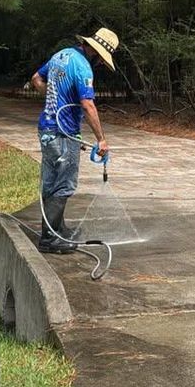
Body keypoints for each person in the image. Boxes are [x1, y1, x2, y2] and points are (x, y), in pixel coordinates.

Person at [30, 27, 119, 253]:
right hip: (63, 133)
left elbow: (36, 79)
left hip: (47, 130)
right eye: (101, 60)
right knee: (64, 185)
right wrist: (101, 140)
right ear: (98, 53)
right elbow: (88, 105)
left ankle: (57, 229)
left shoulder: (61, 55)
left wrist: (54, 100)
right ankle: (50, 239)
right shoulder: (83, 67)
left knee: (51, 183)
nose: (100, 64)